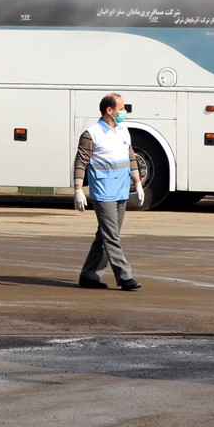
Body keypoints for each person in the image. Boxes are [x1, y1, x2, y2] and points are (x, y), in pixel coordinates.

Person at [73, 92, 142, 291]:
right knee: (112, 236)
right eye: (121, 108)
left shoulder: (123, 130)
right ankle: (125, 277)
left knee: (105, 235)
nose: (125, 112)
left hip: (121, 191)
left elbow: (131, 157)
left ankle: (89, 275)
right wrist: (78, 189)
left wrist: (137, 182)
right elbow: (81, 162)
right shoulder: (92, 133)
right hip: (103, 193)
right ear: (109, 110)